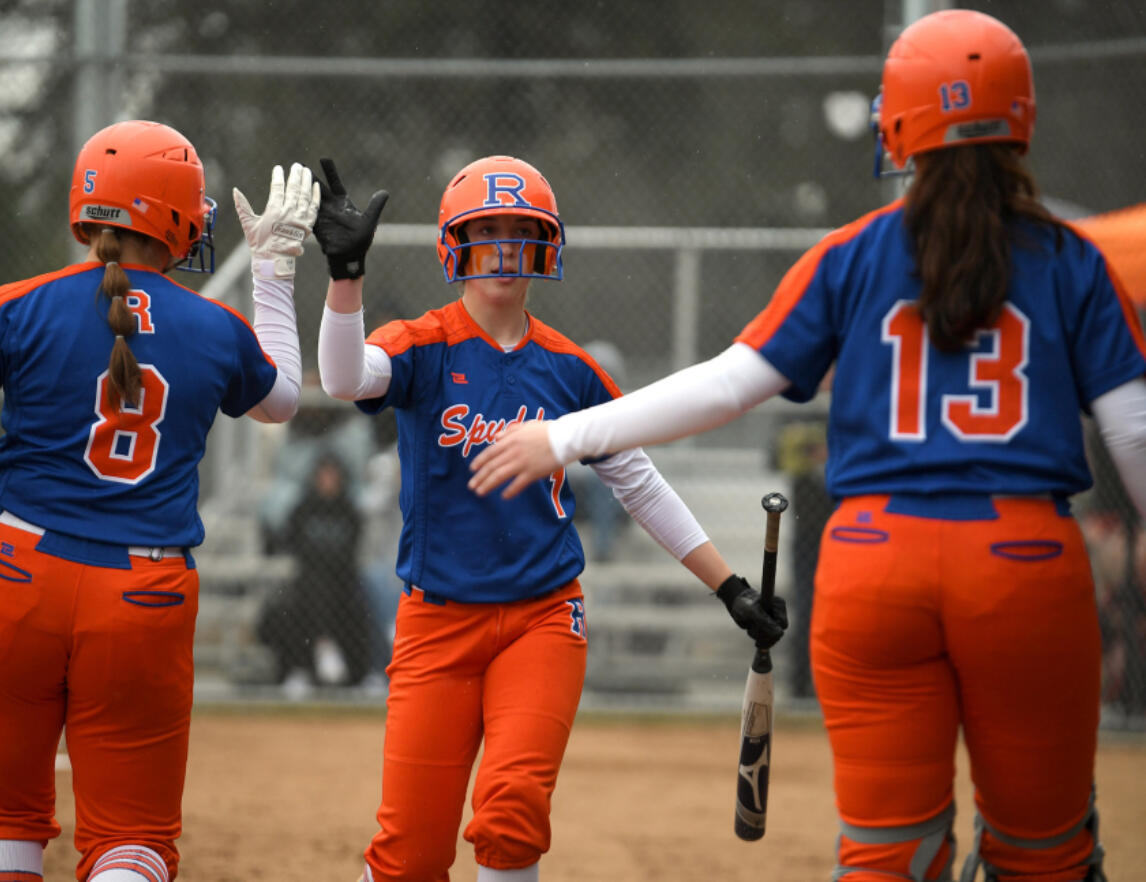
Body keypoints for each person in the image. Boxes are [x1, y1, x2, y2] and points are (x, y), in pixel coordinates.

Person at [469, 10, 1146, 882]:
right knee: (1042, 854)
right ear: (1019, 119)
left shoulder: (852, 256)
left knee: (887, 853)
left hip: (874, 562)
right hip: (1020, 563)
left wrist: (563, 434)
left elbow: (724, 386)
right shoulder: (1074, 260)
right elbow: (1132, 433)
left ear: (898, 124)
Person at [312, 154, 787, 882]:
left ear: (545, 244)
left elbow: (640, 485)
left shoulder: (569, 369)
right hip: (435, 622)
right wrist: (345, 282)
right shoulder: (424, 343)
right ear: (455, 244)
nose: (503, 247)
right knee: (409, 853)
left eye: (519, 231)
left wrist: (730, 588)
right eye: (486, 230)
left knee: (511, 814)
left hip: (541, 620)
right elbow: (346, 379)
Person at [0, 120, 318, 881]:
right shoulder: (213, 326)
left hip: (14, 577)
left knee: (4, 830)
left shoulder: (19, 304)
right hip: (141, 596)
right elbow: (283, 400)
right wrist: (271, 272)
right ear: (174, 215)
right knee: (129, 841)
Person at [258, 449, 377, 690]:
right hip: (308, 583)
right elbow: (287, 544)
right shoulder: (304, 508)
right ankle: (305, 664)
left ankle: (359, 671)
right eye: (324, 475)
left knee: (359, 598)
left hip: (343, 583)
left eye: (333, 475)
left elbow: (350, 554)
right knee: (303, 594)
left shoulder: (349, 510)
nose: (328, 481)